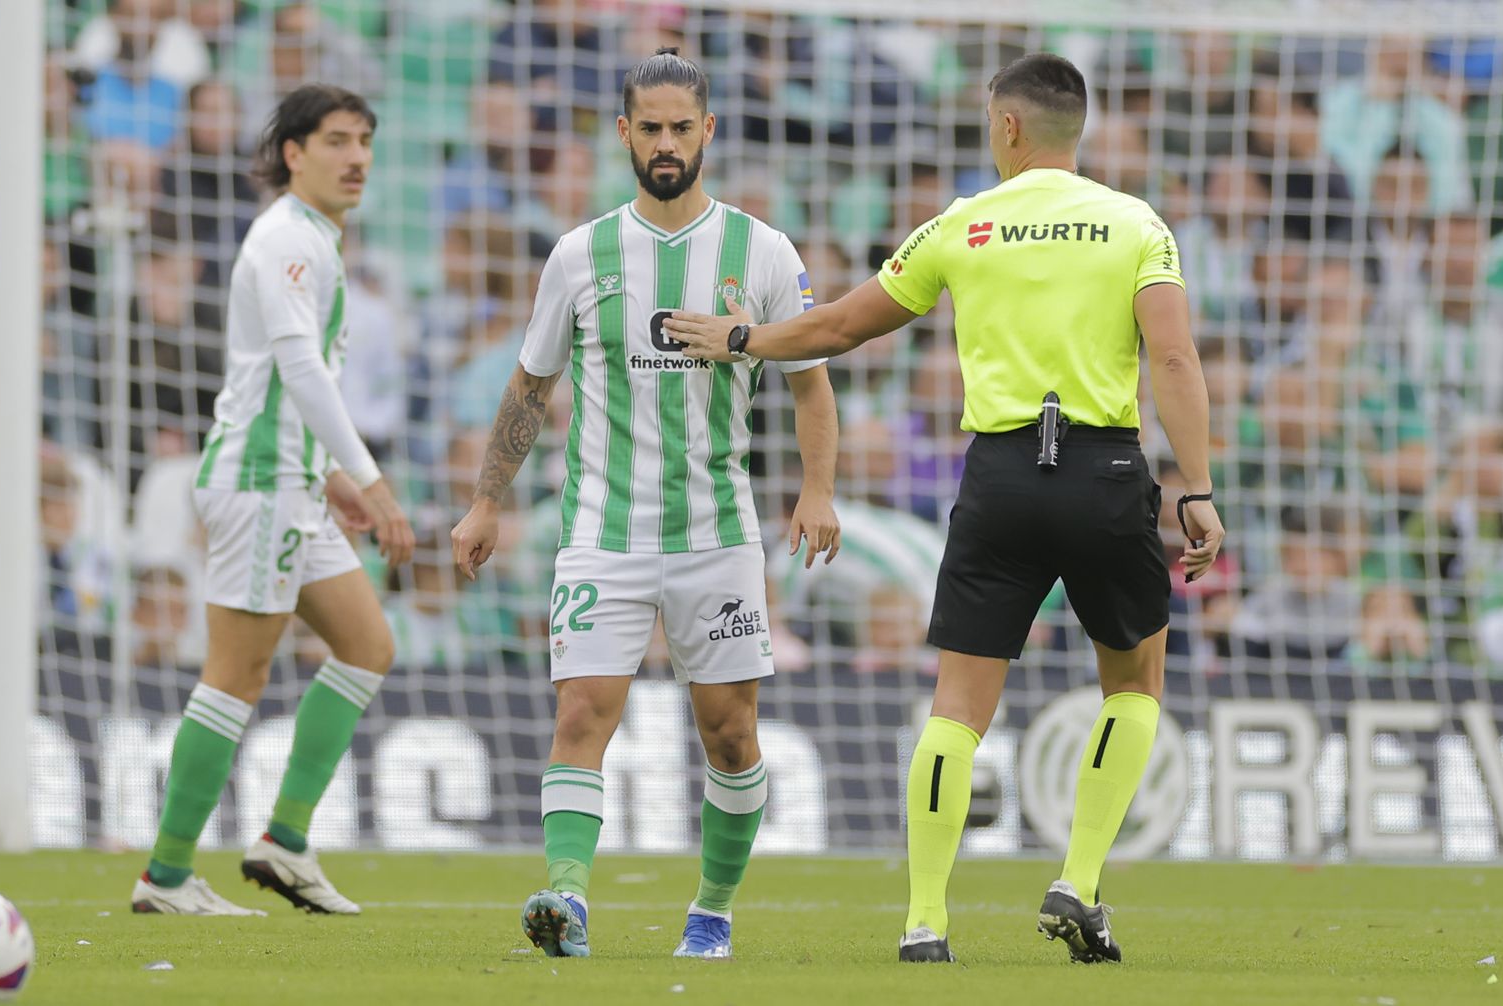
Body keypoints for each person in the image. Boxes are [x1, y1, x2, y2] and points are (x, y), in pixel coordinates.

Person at [666, 53, 1225, 965]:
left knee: (959, 706)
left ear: (1007, 127)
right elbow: (1173, 360)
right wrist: (1195, 487)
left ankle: (925, 922)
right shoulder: (1137, 226)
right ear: (1073, 128)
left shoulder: (964, 225)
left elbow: (843, 325)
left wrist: (742, 339)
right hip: (1105, 471)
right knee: (1133, 687)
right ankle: (1077, 883)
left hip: (1001, 475)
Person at [450, 48, 841, 961]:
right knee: (583, 711)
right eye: (649, 129)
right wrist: (484, 502)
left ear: (709, 131)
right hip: (602, 532)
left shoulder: (764, 252)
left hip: (719, 537)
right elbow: (528, 387)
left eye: (681, 128)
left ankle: (711, 911)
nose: (666, 144)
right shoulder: (579, 254)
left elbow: (811, 387)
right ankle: (567, 897)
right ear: (624, 135)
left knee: (731, 735)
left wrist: (817, 488)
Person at [131, 84, 414, 917]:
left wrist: (325, 471)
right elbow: (300, 370)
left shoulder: (314, 240)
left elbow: (284, 385)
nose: (356, 156)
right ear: (293, 153)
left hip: (290, 480)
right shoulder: (289, 240)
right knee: (236, 676)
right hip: (258, 488)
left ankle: (284, 843)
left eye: (364, 139)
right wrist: (368, 476)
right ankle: (168, 874)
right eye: (336, 140)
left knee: (366, 645)